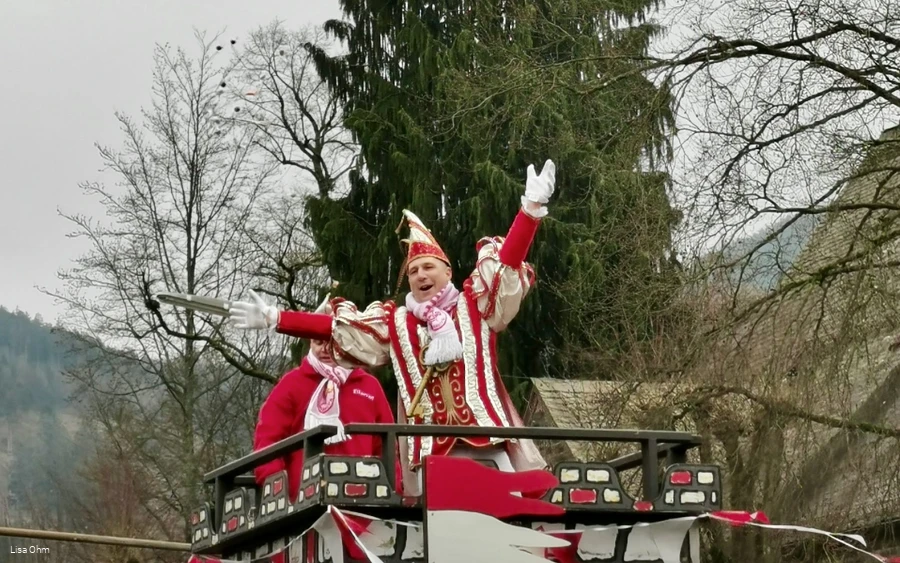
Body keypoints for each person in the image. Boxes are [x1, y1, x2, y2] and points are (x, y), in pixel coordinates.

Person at [234, 160, 557, 491]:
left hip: (488, 444)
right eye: (414, 271)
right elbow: (343, 331)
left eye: (428, 267)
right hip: (431, 456)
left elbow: (506, 271)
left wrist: (530, 211)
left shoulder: (475, 308)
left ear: (447, 272)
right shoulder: (397, 324)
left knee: (508, 522)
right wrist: (278, 319)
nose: (421, 275)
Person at [253, 298, 399, 502]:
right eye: (318, 342)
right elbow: (267, 442)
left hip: (364, 501)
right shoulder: (291, 384)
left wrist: (395, 492)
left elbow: (388, 448)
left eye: (332, 342)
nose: (325, 350)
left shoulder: (369, 386)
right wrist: (277, 491)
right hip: (303, 505)